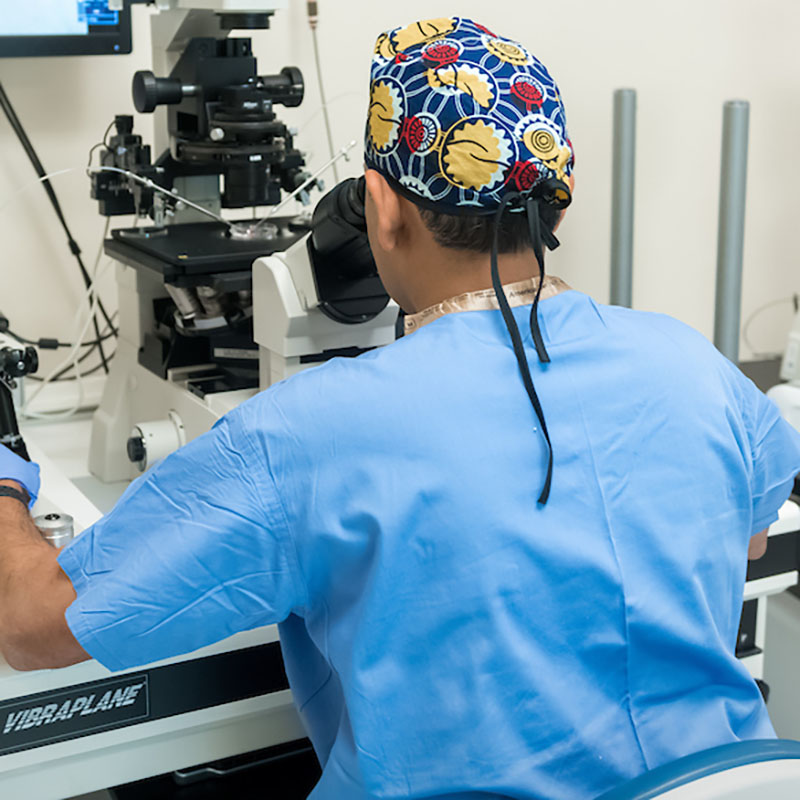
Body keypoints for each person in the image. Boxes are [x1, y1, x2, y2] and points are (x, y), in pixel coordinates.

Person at [1, 16, 799, 800]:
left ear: (379, 207)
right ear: (562, 197)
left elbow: (32, 628)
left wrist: (6, 484)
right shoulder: (692, 362)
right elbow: (754, 531)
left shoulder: (309, 435)